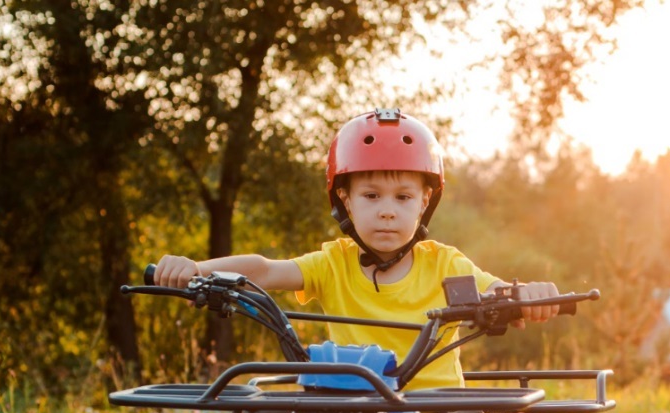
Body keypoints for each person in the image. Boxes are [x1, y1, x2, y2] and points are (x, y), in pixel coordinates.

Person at [152, 108, 561, 389]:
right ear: (345, 200)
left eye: (403, 198)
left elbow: (498, 292)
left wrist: (527, 296)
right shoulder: (333, 263)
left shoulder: (446, 265)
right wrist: (196, 269)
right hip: (349, 412)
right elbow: (262, 270)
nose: (387, 212)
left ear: (425, 202)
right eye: (371, 196)